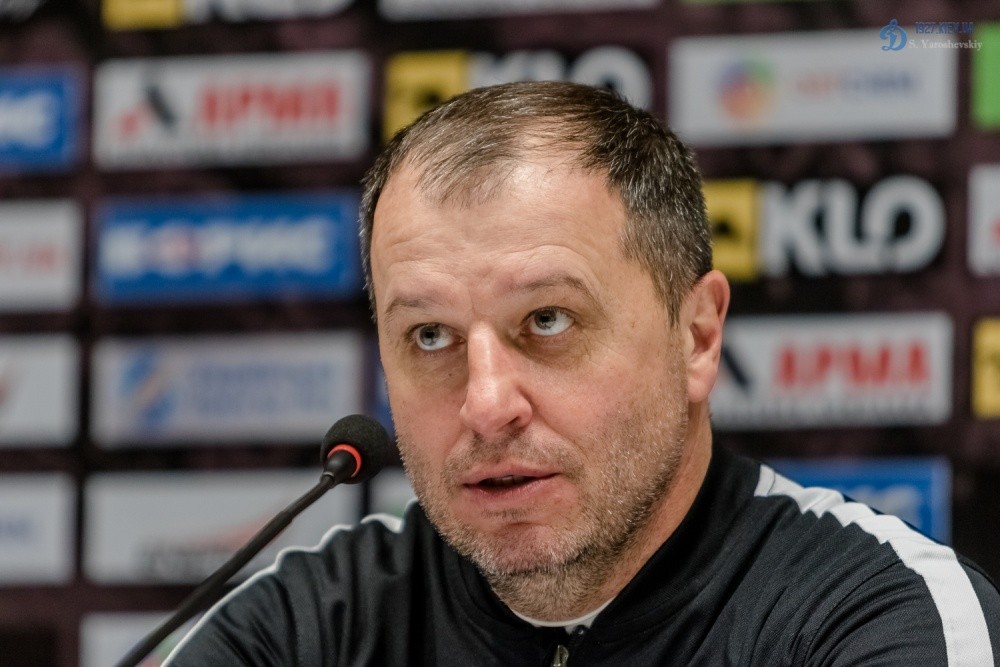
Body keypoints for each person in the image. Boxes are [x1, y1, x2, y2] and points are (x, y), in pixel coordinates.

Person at [166, 81, 1000, 666]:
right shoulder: (301, 627)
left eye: (548, 320)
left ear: (697, 337)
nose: (486, 404)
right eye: (430, 335)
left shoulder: (873, 615)